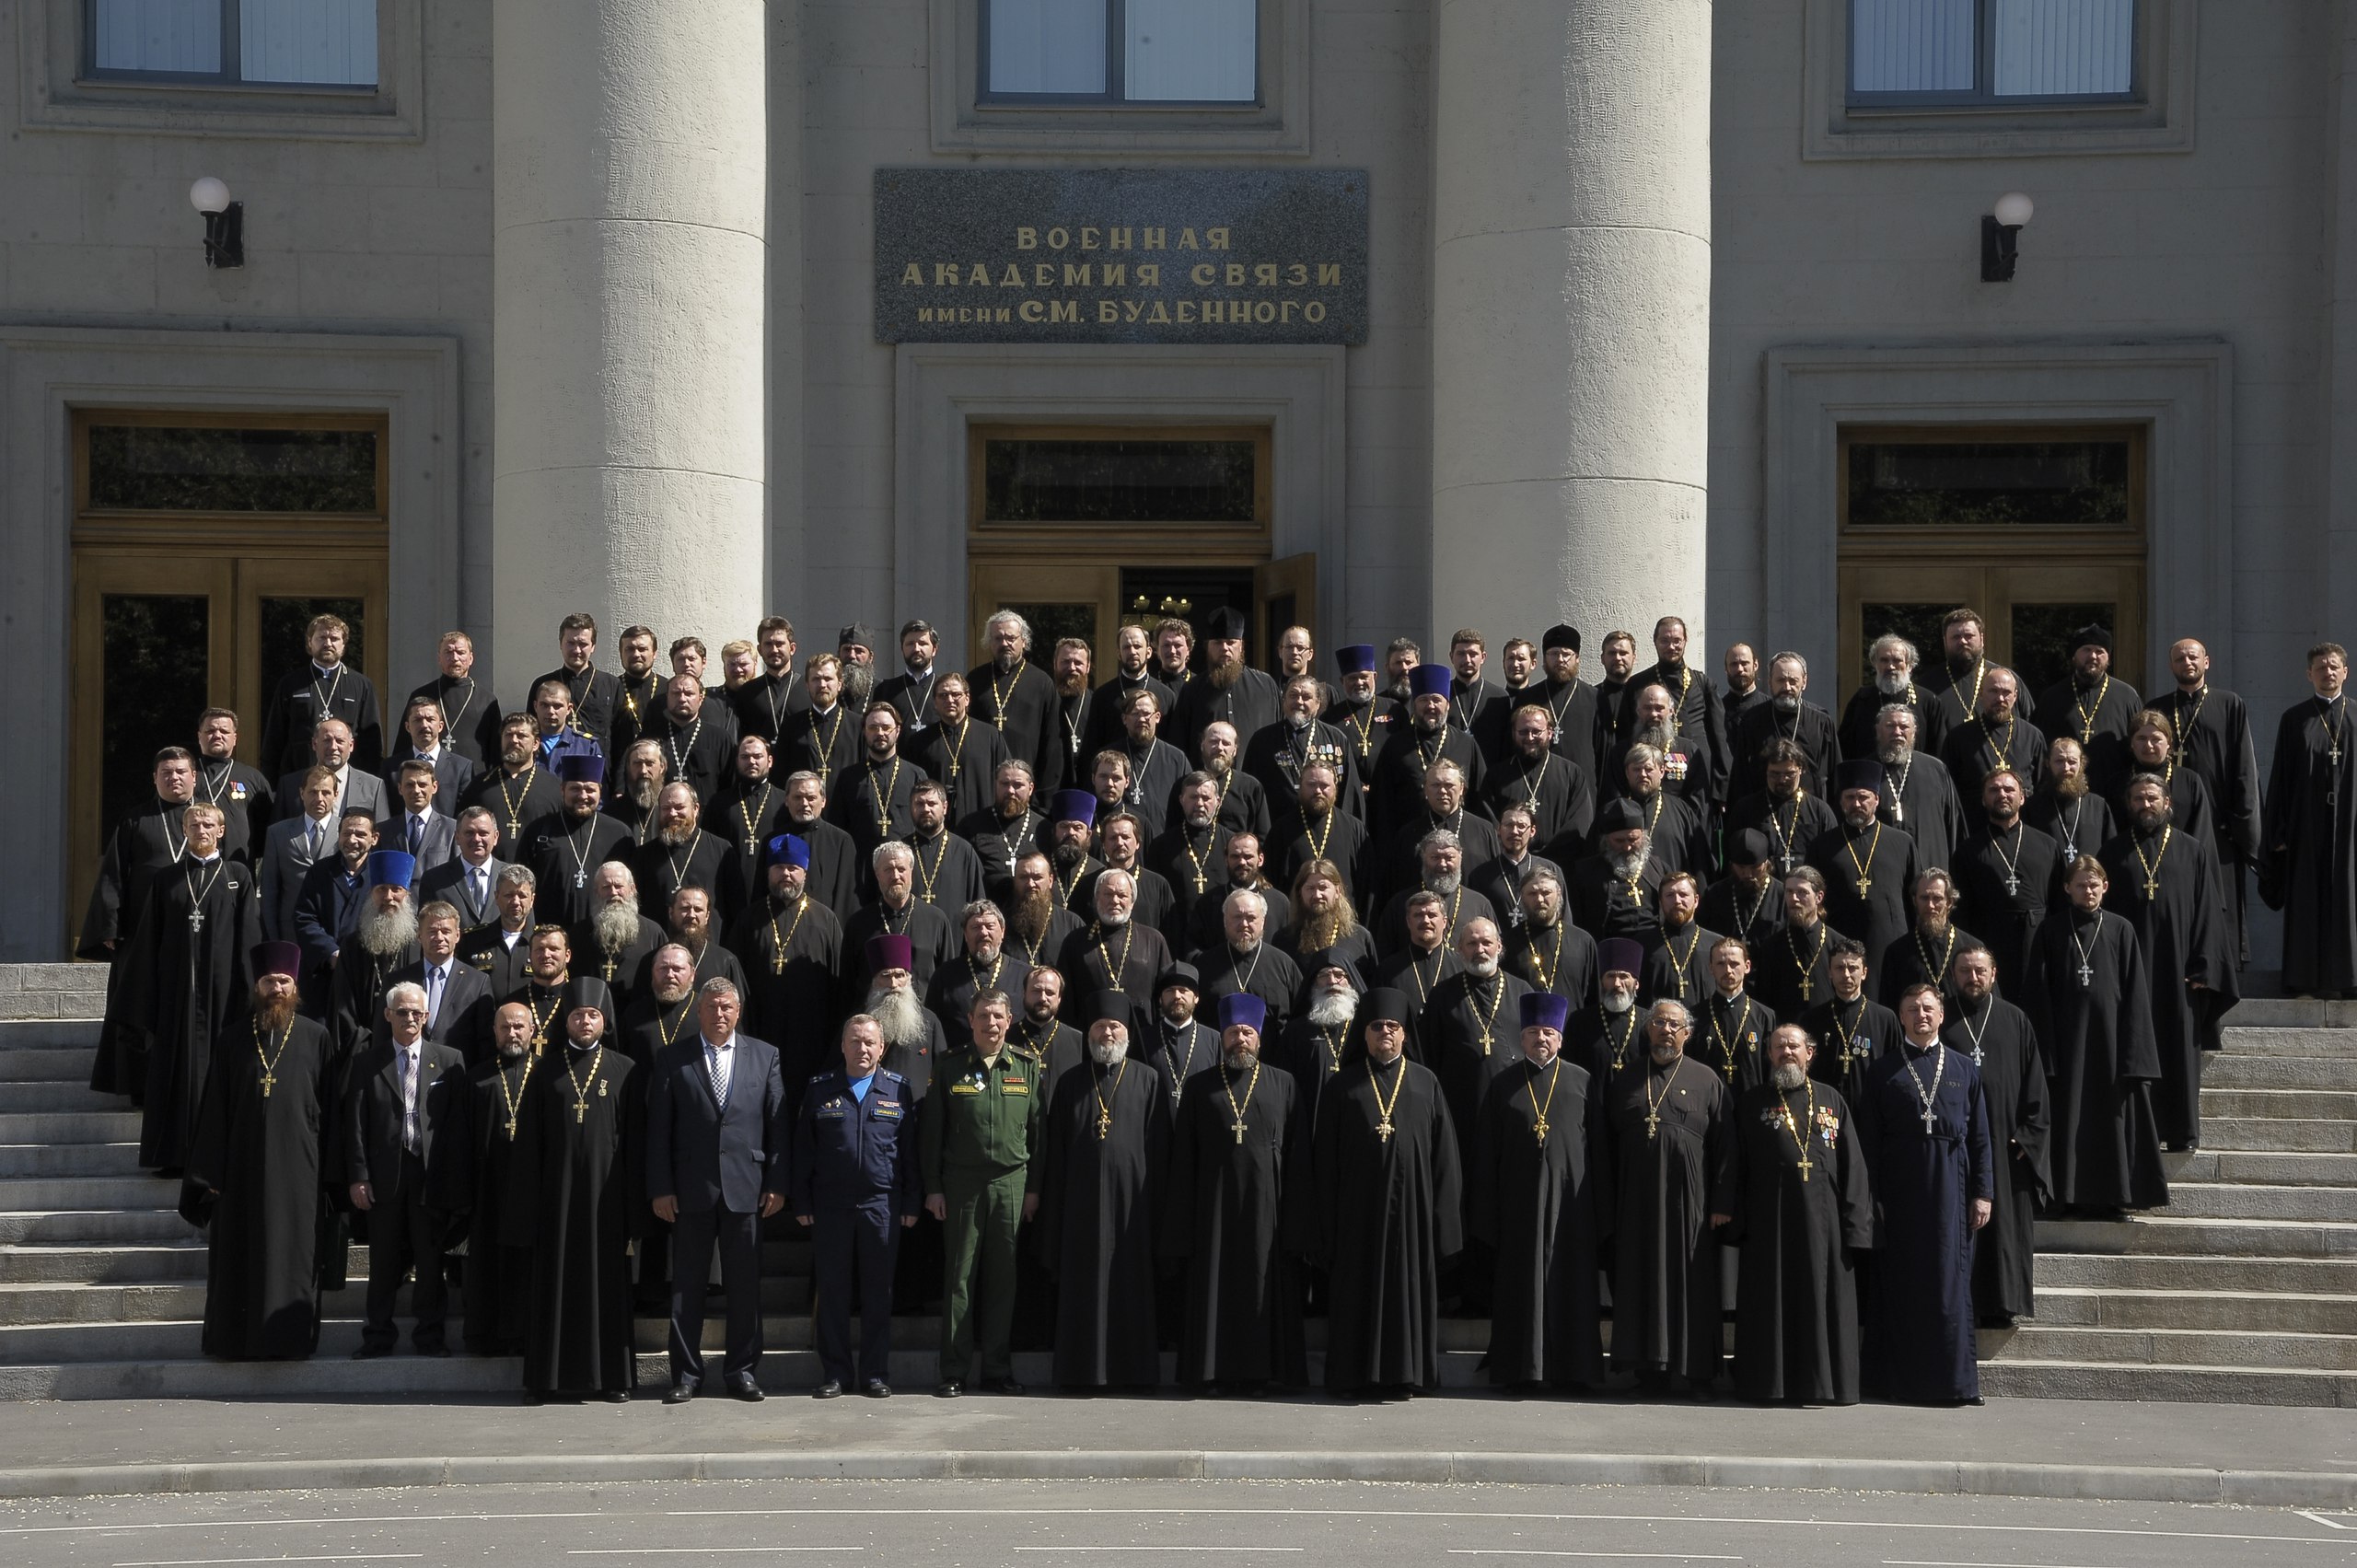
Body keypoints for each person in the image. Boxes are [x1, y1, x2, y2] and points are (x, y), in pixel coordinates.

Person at [1709, 1022, 1873, 1406]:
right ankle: (1768, 1385)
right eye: (1779, 1047)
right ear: (1768, 1054)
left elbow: (1854, 1168)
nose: (1786, 1052)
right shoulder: (1751, 1103)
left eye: (1793, 1046)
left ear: (1809, 1053)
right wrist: (1727, 1209)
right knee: (1771, 1301)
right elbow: (1735, 1162)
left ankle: (1824, 1386)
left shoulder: (1833, 1100)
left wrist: (1857, 1227)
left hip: (1825, 1228)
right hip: (1770, 1225)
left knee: (1823, 1301)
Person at [1309, 987, 1463, 1400]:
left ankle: (1407, 1375)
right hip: (1356, 1216)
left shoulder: (1426, 1082)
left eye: (1393, 1027)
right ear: (1365, 1033)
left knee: (1407, 1294)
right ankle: (1353, 1374)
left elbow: (1445, 1160)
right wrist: (1326, 1222)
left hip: (1412, 1217)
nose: (1385, 1034)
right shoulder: (1342, 1085)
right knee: (1355, 1292)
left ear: (1405, 1035)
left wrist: (1443, 1223)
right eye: (1377, 1027)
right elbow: (1324, 1160)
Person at [183, 942, 332, 1361]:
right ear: (256, 986)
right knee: (238, 1257)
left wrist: (332, 1176)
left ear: (296, 985)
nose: (277, 988)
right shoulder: (232, 1040)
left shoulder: (317, 1038)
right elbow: (213, 1111)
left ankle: (289, 1342)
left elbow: (331, 1111)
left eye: (284, 981)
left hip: (299, 1175)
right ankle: (234, 1342)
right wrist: (208, 1179)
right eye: (269, 981)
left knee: (294, 1259)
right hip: (239, 1175)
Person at [646, 976, 787, 1403]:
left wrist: (779, 1183)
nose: (720, 1014)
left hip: (747, 1188)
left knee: (744, 1286)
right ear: (698, 1011)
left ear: (738, 1011)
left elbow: (778, 1124)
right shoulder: (673, 1058)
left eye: (727, 1007)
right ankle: (686, 1375)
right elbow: (659, 1131)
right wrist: (661, 1187)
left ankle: (742, 1371)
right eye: (712, 1008)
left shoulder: (765, 1056)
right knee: (687, 1286)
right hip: (690, 1190)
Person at [1158, 993, 1306, 1393]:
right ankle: (1212, 1373)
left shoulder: (1284, 1083)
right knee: (1215, 1287)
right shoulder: (1199, 1087)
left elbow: (1297, 1153)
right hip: (1214, 1208)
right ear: (1221, 1037)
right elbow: (1184, 1156)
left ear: (1258, 1037)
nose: (1240, 1039)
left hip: (1267, 1210)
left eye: (1246, 1032)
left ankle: (1263, 1373)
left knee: (1263, 1286)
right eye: (1232, 1033)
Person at [505, 976, 642, 1402]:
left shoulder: (624, 1070)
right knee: (554, 1284)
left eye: (594, 1015)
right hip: (556, 1201)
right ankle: (545, 1380)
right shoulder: (544, 1071)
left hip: (607, 1202)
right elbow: (529, 1144)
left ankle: (612, 1379)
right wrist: (529, 1206)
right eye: (579, 1014)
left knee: (606, 1288)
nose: (586, 1021)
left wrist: (632, 1210)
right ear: (566, 1020)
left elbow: (634, 1143)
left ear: (605, 1021)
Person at [1856, 984, 1992, 1406]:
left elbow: (1981, 1137)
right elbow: (1868, 1142)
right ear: (1900, 1017)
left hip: (1951, 1187)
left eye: (1928, 1008)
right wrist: (1870, 1200)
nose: (1921, 1015)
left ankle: (1954, 1384)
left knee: (1949, 1284)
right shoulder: (1883, 1071)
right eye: (1912, 1008)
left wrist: (1983, 1192)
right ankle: (1897, 1383)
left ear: (1941, 1015)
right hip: (1899, 1190)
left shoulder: (1964, 1067)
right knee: (1901, 1284)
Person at [111, 800, 262, 1173]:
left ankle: (218, 1157)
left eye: (208, 824)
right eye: (194, 824)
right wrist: (143, 1003)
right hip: (176, 998)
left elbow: (248, 942)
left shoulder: (237, 876)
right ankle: (174, 1156)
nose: (201, 830)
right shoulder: (165, 880)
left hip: (223, 998)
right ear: (184, 831)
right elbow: (148, 944)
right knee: (174, 1075)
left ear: (221, 831)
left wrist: (250, 1000)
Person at [1467, 991, 1608, 1393]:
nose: (1540, 1039)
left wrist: (1600, 1210)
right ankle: (1520, 1371)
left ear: (1560, 1038)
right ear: (1521, 1037)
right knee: (1519, 1287)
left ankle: (1574, 1371)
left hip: (1571, 1211)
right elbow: (1486, 1155)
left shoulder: (1581, 1081)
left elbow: (1597, 1150)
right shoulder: (1502, 1085)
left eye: (1548, 1032)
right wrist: (1487, 1213)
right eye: (1532, 1032)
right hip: (1518, 1207)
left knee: (1572, 1287)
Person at [1036, 991, 1171, 1389]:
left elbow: (1159, 1151)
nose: (1107, 1033)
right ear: (1088, 1034)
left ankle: (1133, 1374)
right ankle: (1081, 1374)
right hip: (1079, 1206)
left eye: (1114, 1026)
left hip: (1134, 1209)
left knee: (1131, 1289)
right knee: (1083, 1288)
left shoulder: (1148, 1080)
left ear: (1126, 1033)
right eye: (1099, 1027)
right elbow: (1056, 1151)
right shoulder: (1070, 1082)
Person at [2023, 856, 2168, 1217]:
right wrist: (2046, 1054)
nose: (2087, 891)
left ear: (2105, 887)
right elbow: (2039, 994)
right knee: (2068, 1119)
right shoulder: (2052, 931)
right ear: (2067, 889)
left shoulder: (2121, 930)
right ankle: (2066, 1197)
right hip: (2068, 1045)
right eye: (2080, 885)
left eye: (2094, 885)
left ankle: (2113, 1197)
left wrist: (2135, 1056)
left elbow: (2135, 995)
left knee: (2110, 1123)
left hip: (2111, 1046)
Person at [922, 987, 1048, 1397]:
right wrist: (934, 1187)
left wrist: (1033, 1190)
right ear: (970, 1021)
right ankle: (954, 1370)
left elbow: (1038, 1135)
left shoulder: (1026, 1067)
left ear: (1009, 1021)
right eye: (983, 1016)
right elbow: (932, 1133)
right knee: (959, 1277)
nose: (991, 1023)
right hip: (962, 1184)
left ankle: (996, 1368)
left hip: (1011, 1182)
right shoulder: (950, 1066)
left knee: (1003, 1280)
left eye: (997, 1016)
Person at [2103, 773, 2238, 1149]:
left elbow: (2209, 910)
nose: (2145, 805)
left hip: (2180, 971)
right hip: (2130, 973)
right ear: (2127, 804)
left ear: (2167, 804)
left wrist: (2205, 966)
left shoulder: (2193, 850)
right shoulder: (2111, 853)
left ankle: (2181, 1132)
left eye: (2151, 798)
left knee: (2178, 1050)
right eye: (2137, 799)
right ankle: (2138, 1133)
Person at [1601, 998, 1729, 1393]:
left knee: (1691, 1283)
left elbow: (1726, 1147)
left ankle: (1696, 1371)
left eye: (1674, 1024)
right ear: (1647, 1029)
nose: (1666, 1031)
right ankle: (1647, 1370)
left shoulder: (1708, 1079)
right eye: (1658, 1023)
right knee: (1640, 1278)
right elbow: (1604, 1147)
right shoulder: (1623, 1079)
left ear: (1687, 1034)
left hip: (1689, 1205)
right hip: (1635, 1203)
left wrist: (1722, 1204)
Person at [794, 1013, 922, 1399]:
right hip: (831, 1204)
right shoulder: (820, 1089)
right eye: (855, 1041)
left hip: (881, 1203)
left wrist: (912, 1199)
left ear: (882, 1048)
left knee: (878, 1292)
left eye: (869, 1042)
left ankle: (874, 1373)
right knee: (833, 1290)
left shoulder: (899, 1090)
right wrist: (801, 1198)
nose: (862, 1048)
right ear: (843, 1045)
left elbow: (910, 1152)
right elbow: (804, 1150)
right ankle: (835, 1372)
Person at [344, 981, 467, 1359]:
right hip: (384, 1178)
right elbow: (355, 1124)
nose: (410, 1018)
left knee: (430, 1262)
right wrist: (359, 1176)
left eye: (417, 1012)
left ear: (427, 1016)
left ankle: (430, 1337)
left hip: (430, 1177)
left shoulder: (449, 1060)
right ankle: (378, 1337)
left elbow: (457, 1126)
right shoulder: (367, 1062)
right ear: (388, 1015)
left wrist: (452, 1179)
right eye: (402, 1012)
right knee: (383, 1262)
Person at [1942, 943, 2049, 1328]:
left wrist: (2029, 1136)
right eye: (1965, 972)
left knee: (2005, 1230)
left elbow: (2036, 1084)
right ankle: (1961, 1303)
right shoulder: (1942, 1019)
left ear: (1993, 974)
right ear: (1953, 976)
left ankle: (2003, 1304)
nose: (1973, 978)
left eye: (1979, 971)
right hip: (1954, 1145)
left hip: (2007, 1147)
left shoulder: (2015, 1019)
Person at [441, 1000, 541, 1356]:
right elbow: (459, 1141)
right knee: (488, 1266)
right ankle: (488, 1337)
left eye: (519, 1027)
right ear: (494, 1032)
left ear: (532, 1031)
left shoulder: (547, 1076)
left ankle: (528, 1336)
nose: (512, 1033)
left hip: (534, 1192)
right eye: (505, 1027)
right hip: (488, 1191)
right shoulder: (476, 1078)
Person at [2156, 636, 2261, 961]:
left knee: (2220, 896)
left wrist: (2243, 823)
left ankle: (2221, 963)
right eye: (2179, 659)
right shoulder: (2157, 709)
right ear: (2171, 666)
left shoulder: (2229, 704)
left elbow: (2244, 767)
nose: (2186, 663)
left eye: (2192, 657)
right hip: (2167, 819)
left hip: (2217, 822)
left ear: (2206, 662)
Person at [2263, 642, 2357, 998]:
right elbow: (2281, 779)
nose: (2328, 672)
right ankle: (2304, 979)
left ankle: (2350, 980)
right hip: (2306, 828)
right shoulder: (2294, 719)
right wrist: (2280, 832)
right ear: (2309, 674)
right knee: (2307, 901)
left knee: (2349, 900)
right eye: (2321, 667)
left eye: (2334, 666)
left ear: (2345, 672)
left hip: (2350, 829)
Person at [1810, 761, 1920, 1000]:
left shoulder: (1902, 843)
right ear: (1840, 802)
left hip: (1889, 942)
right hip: (1840, 939)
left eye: (1863, 797)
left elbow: (1914, 899)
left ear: (1877, 799)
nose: (1856, 804)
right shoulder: (1822, 845)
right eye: (1849, 798)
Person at [1954, 768, 2060, 988]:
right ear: (1984, 800)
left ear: (2022, 797)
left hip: (2038, 942)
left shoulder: (2047, 845)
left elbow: (2059, 901)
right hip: (1990, 942)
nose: (2002, 794)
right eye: (1994, 790)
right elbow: (1962, 911)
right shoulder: (1968, 851)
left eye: (2009, 789)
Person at [259, 611, 382, 776]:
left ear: (344, 645)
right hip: (300, 774)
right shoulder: (291, 683)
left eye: (334, 638)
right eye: (321, 638)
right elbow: (275, 738)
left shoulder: (361, 684)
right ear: (310, 642)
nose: (328, 643)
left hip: (348, 777)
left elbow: (371, 741)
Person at [2031, 625, 2142, 798]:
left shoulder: (2127, 696)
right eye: (2086, 650)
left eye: (2100, 651)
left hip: (2115, 794)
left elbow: (2138, 745)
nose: (2093, 656)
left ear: (2109, 658)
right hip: (2063, 793)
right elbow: (2039, 750)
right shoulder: (2052, 697)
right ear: (2074, 656)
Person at [1729, 652, 1838, 805]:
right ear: (1769, 682)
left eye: (1793, 681)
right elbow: (1741, 776)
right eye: (1780, 680)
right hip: (1763, 811)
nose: (1787, 687)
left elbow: (1834, 776)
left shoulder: (1821, 721)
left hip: (1810, 813)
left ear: (1804, 682)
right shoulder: (1752, 720)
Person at [1799, 935, 1894, 1107]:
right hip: (1825, 1109)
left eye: (1853, 968)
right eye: (1839, 968)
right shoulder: (1812, 1019)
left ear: (1864, 972)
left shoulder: (1885, 1019)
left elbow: (1894, 1069)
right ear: (1829, 972)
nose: (1846, 975)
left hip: (1871, 1110)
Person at [970, 610, 1058, 783]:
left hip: (1026, 782)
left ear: (1023, 641)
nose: (1005, 643)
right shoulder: (974, 680)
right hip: (984, 779)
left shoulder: (1041, 683)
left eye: (1011, 638)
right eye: (998, 638)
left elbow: (1052, 741)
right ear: (990, 643)